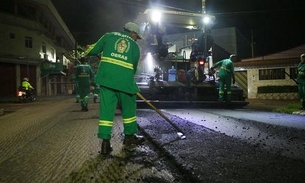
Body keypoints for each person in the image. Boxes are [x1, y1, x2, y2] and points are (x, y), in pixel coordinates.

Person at [84, 22, 145, 155]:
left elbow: (92, 51)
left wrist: (86, 50)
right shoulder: (134, 47)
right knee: (129, 110)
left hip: (106, 80)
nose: (136, 39)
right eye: (137, 37)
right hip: (124, 83)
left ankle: (105, 144)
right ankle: (129, 138)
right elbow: (133, 69)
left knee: (106, 112)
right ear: (132, 33)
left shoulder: (108, 36)